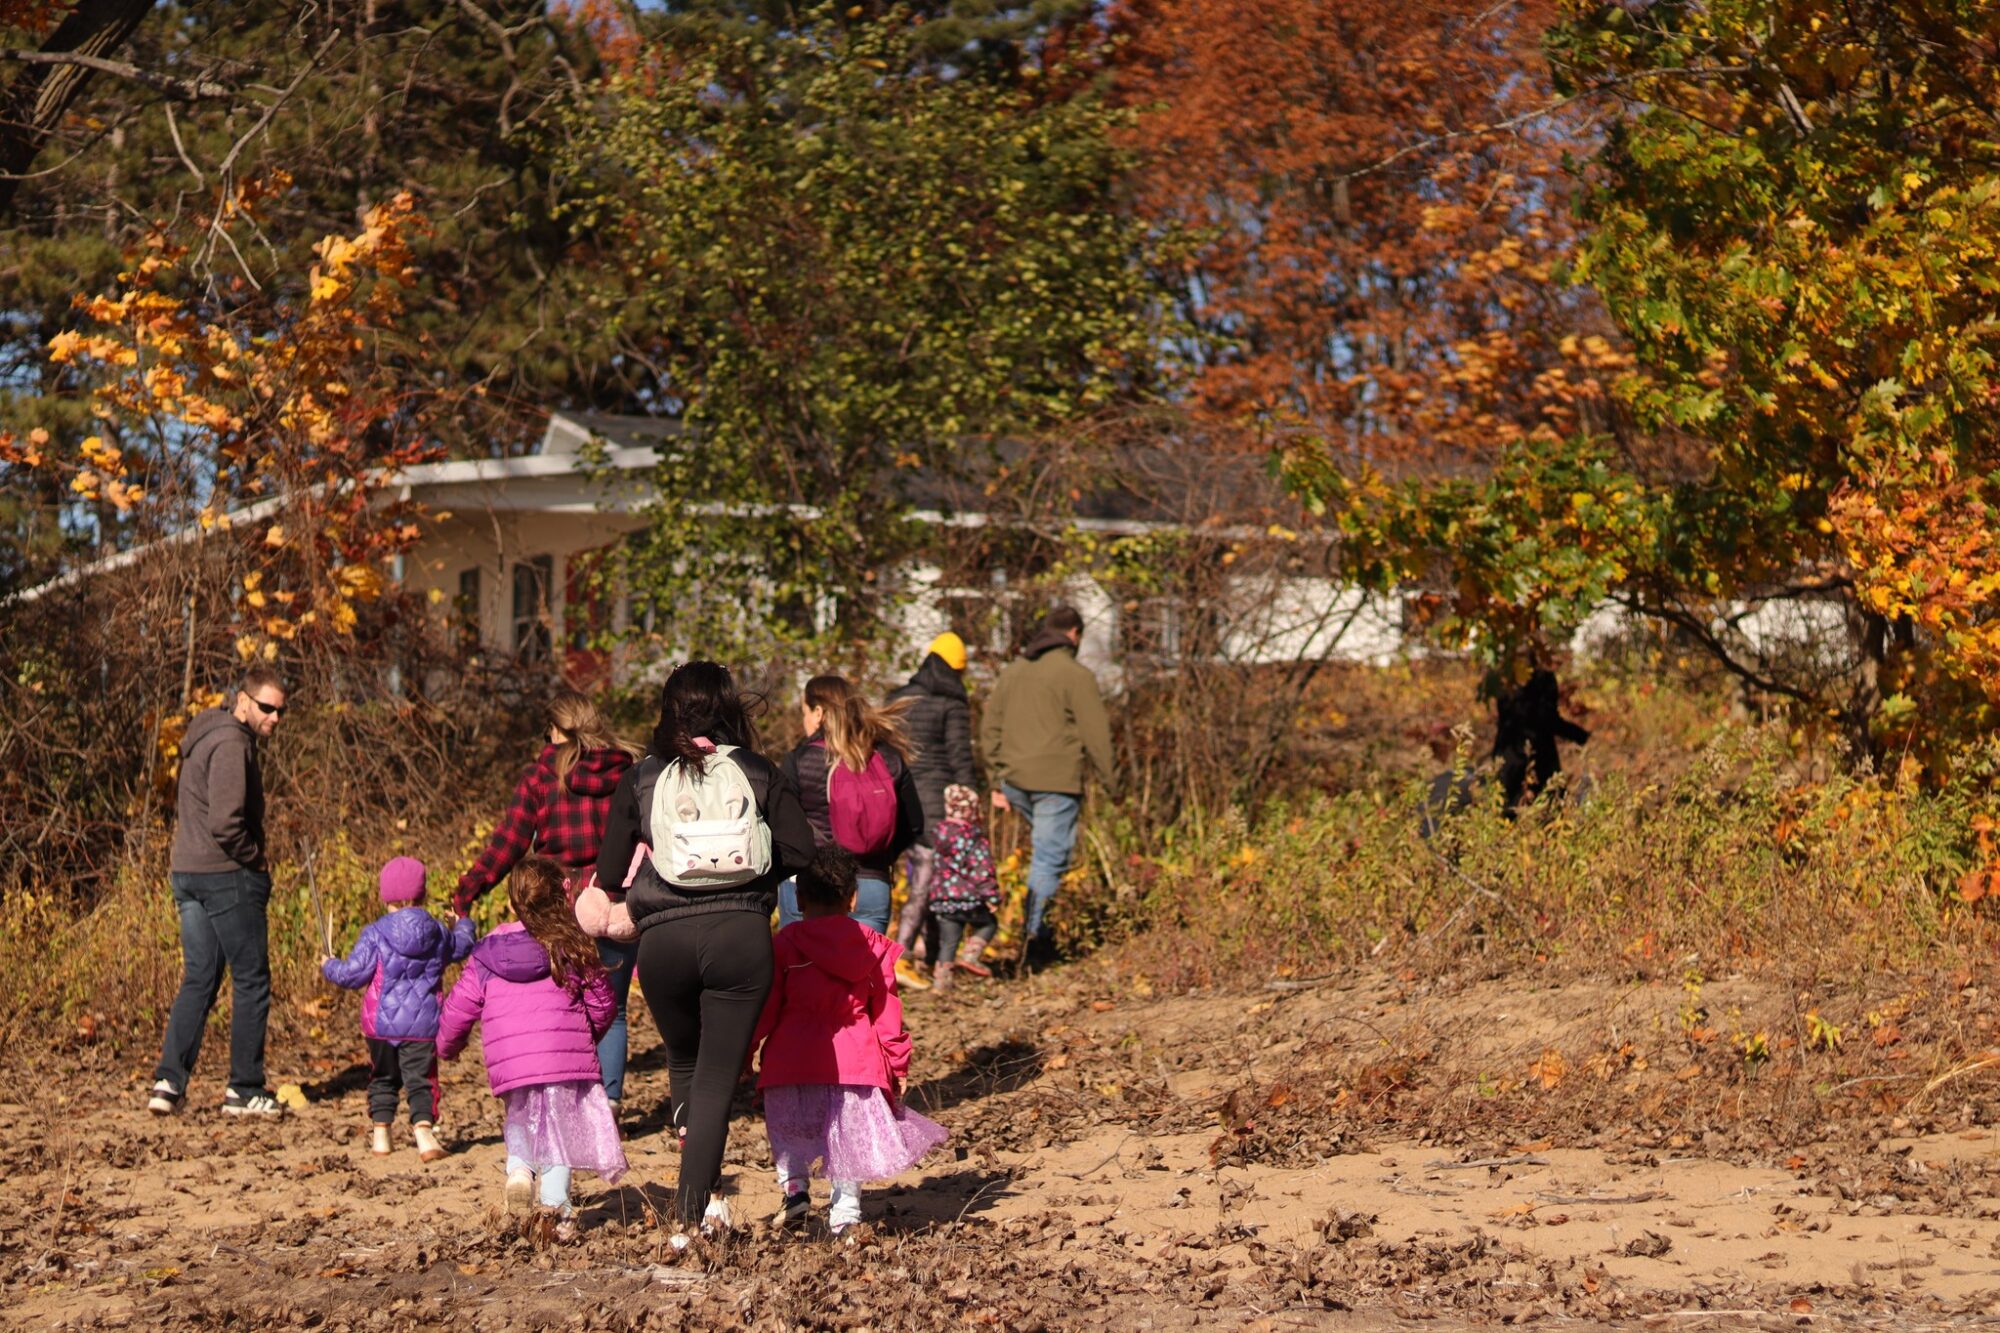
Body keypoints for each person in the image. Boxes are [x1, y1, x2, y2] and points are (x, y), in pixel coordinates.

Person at [596, 661, 815, 1237]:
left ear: (668, 709)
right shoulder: (758, 770)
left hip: (662, 944)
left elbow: (610, 871)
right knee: (718, 1077)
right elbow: (800, 851)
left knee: (684, 1062)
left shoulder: (643, 776)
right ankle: (689, 1217)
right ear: (729, 707)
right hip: (739, 939)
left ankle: (708, 1199)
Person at [452, 690, 642, 1116]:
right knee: (613, 1007)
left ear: (557, 729)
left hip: (560, 905)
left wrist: (467, 890)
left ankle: (566, 1094)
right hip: (617, 902)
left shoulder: (543, 777)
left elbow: (508, 844)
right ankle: (607, 1101)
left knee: (565, 1003)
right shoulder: (628, 772)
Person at [751, 846, 947, 1235]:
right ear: (853, 898)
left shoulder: (785, 945)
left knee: (790, 1128)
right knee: (849, 1137)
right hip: (857, 1060)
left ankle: (795, 1190)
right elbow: (887, 1014)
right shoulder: (872, 947)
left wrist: (747, 1049)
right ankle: (845, 1213)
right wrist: (896, 1062)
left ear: (799, 898)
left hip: (792, 1057)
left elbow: (767, 1006)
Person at [437, 856, 625, 1241]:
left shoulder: (487, 952)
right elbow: (604, 1004)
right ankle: (557, 1209)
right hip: (563, 1056)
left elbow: (460, 1006)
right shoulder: (570, 943)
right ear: (561, 897)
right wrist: (586, 1034)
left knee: (521, 1120)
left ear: (512, 903)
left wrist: (447, 1045)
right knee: (558, 1132)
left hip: (513, 1064)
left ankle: (520, 1171)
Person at [149, 665, 289, 1118]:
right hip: (226, 875)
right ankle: (244, 1090)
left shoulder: (203, 736)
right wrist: (256, 860)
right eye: (267, 708)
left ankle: (168, 1083)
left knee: (200, 978)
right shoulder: (232, 741)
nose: (274, 719)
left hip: (187, 873)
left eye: (280, 711)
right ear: (243, 700)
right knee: (252, 979)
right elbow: (226, 822)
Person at [979, 605, 1115, 968]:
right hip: (1056, 781)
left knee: (1043, 855)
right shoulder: (1076, 675)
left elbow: (989, 727)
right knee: (1048, 858)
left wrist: (997, 777)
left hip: (1015, 780)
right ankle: (1036, 941)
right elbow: (1097, 736)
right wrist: (1110, 782)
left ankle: (1033, 932)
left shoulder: (1013, 672)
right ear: (1074, 634)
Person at [321, 856, 475, 1160]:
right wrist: (463, 924)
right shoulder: (437, 933)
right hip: (423, 1024)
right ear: (423, 895)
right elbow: (462, 946)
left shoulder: (375, 932)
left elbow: (353, 974)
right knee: (421, 1079)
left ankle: (381, 1136)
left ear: (385, 896)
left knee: (382, 1076)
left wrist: (329, 966)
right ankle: (425, 1136)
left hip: (379, 1024)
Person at [778, 675, 926, 949]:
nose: (804, 720)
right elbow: (914, 824)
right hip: (872, 884)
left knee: (802, 979)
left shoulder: (800, 760)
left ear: (819, 712)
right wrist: (880, 855)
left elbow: (782, 826)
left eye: (805, 712)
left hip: (810, 888)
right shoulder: (888, 758)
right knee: (864, 982)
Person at [886, 631, 979, 968]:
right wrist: (969, 798)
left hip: (898, 798)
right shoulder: (951, 703)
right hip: (937, 802)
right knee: (932, 879)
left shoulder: (899, 698)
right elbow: (960, 757)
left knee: (919, 875)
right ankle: (906, 952)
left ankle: (923, 951)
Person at [923, 784, 1001, 992]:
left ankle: (941, 983)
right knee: (989, 923)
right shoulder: (973, 837)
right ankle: (970, 955)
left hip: (942, 900)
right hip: (968, 898)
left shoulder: (938, 835)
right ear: (970, 810)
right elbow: (982, 868)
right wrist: (991, 896)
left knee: (948, 941)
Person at [1490, 665, 1590, 814]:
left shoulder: (1502, 674)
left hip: (1509, 756)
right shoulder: (1543, 677)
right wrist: (1581, 736)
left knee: (1508, 815)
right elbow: (1547, 718)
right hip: (1539, 758)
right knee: (1551, 813)